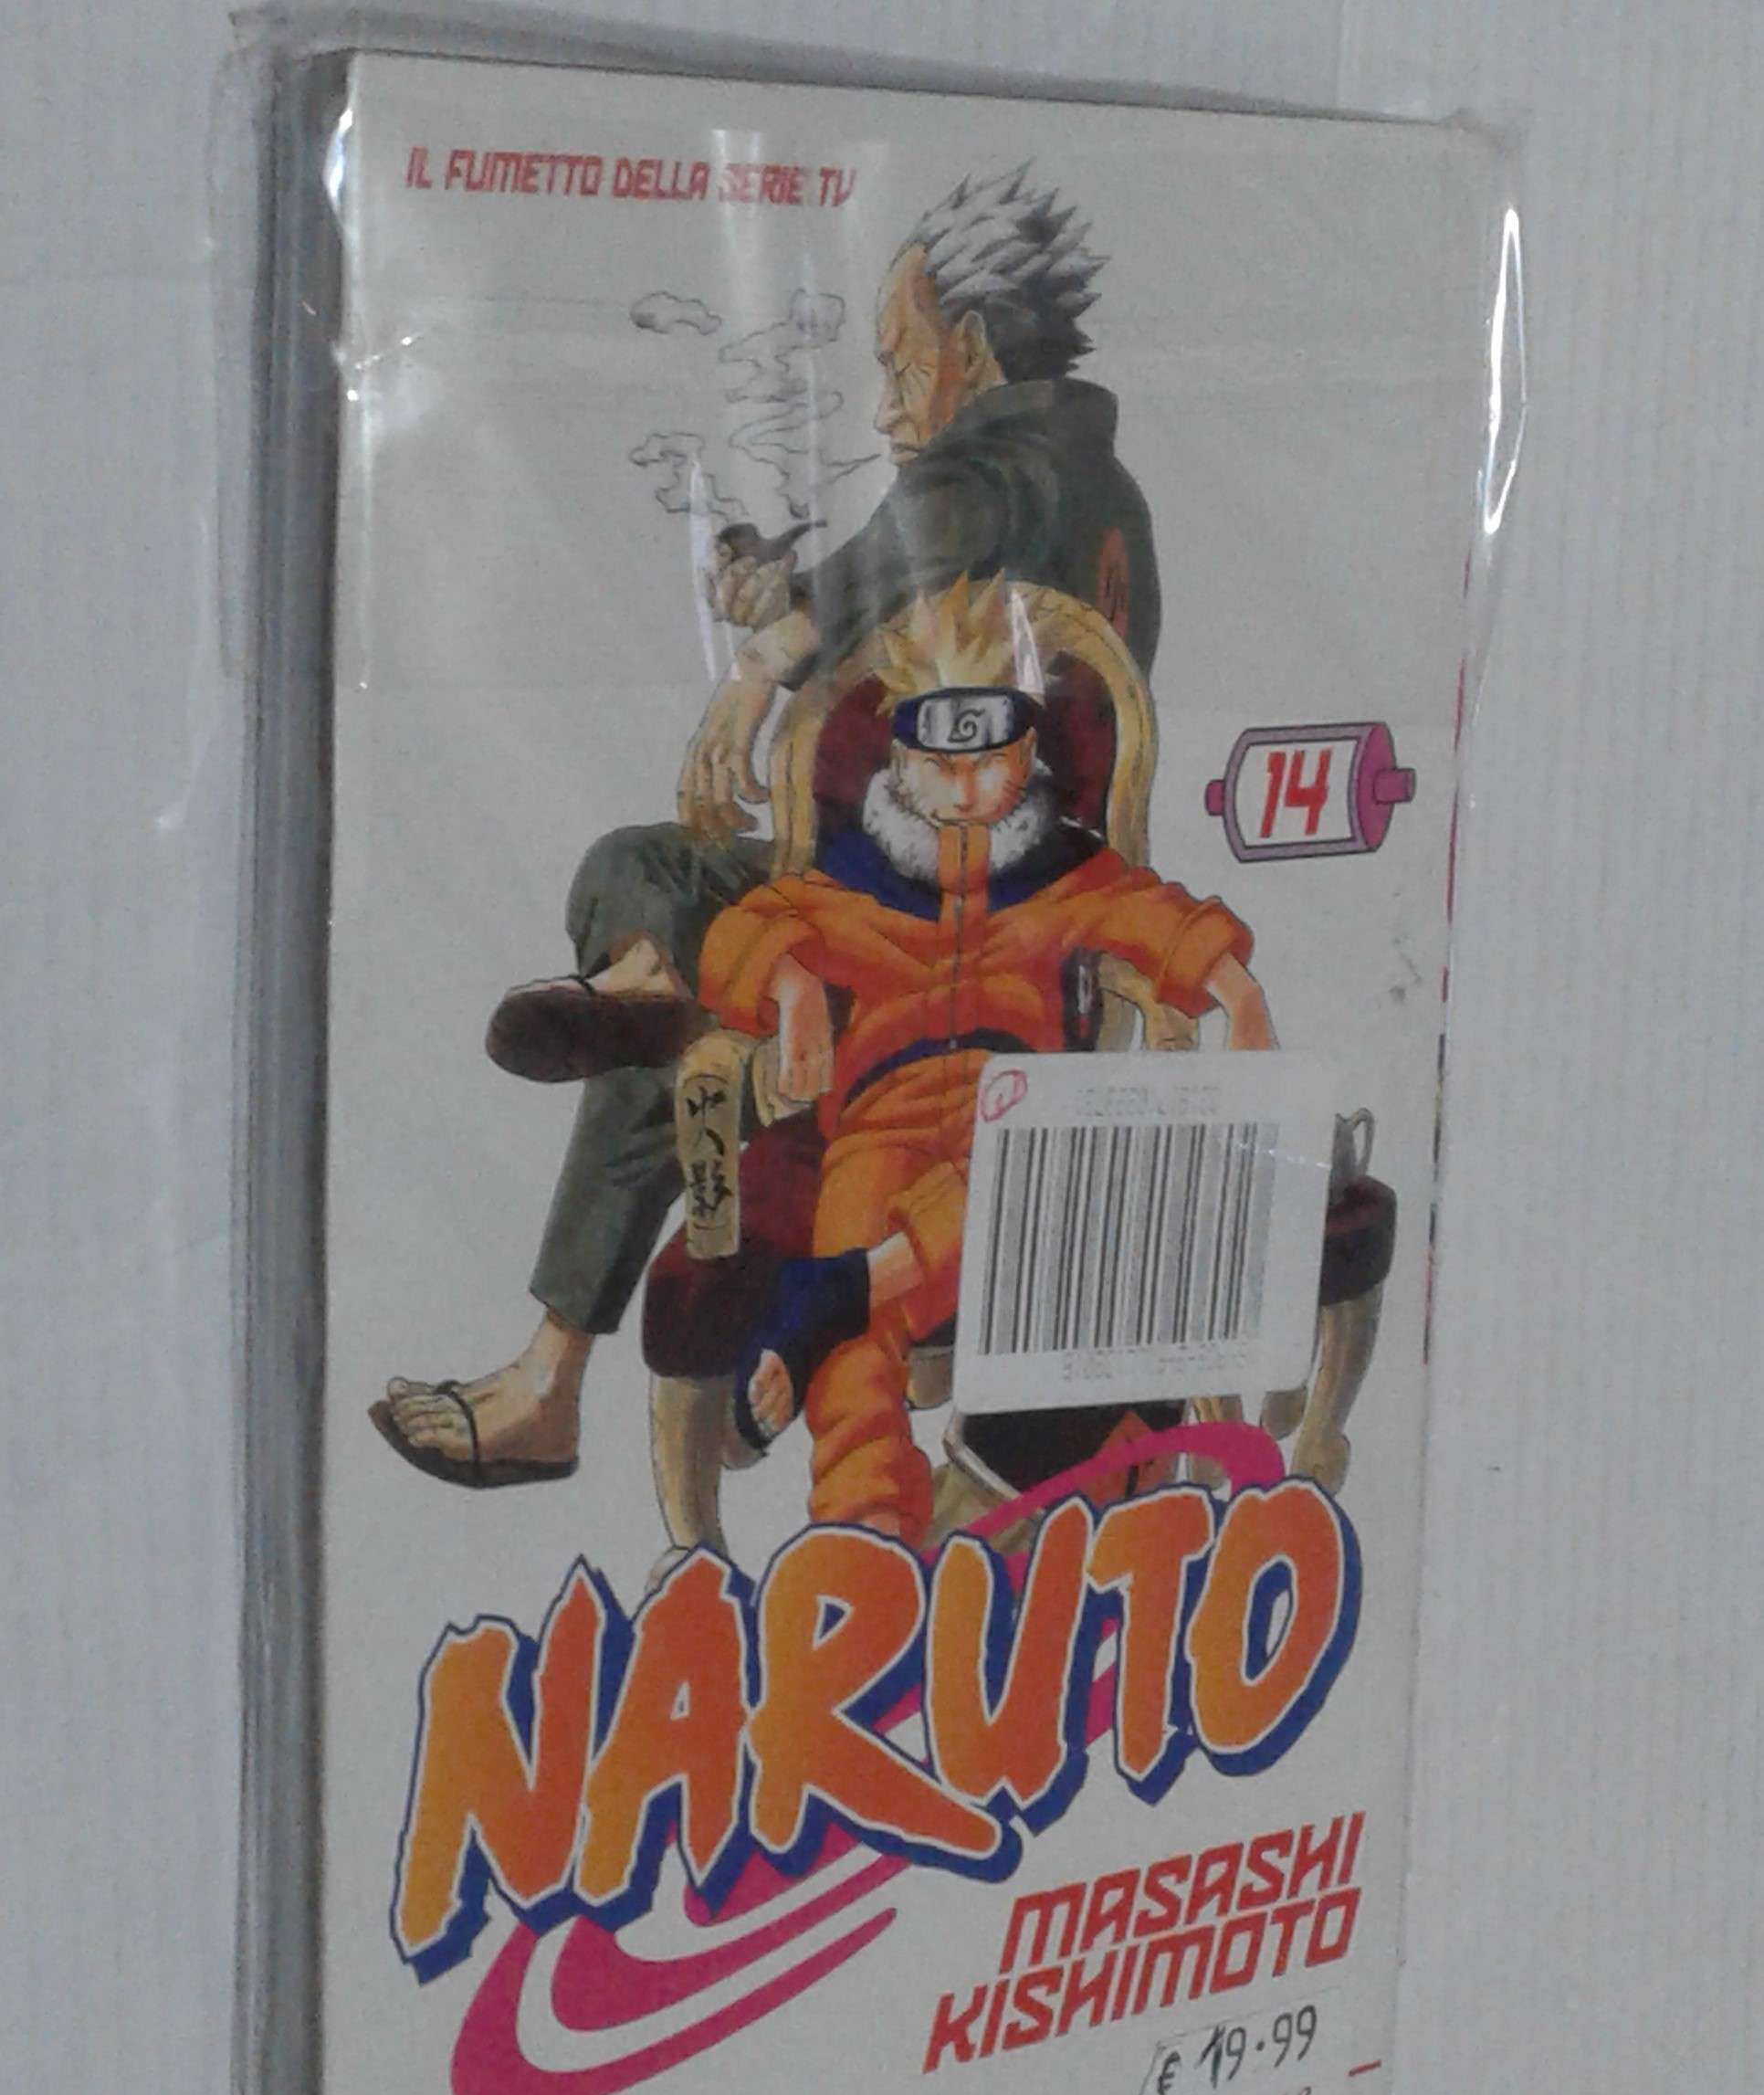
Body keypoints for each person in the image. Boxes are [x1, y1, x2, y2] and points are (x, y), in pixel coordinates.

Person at [373, 166, 1165, 1488]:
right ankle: (644, 1009)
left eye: (901, 363)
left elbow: (907, 549)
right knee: (661, 950)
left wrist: (755, 670)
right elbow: (896, 590)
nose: (889, 403)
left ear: (972, 348)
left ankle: (551, 1373)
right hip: (990, 925)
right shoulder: (1091, 487)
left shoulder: (994, 463)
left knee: (643, 888)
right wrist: (790, 590)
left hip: (917, 948)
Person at [696, 575, 1272, 1545]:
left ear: (1026, 756)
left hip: (1016, 1125)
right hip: (876, 1130)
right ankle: (865, 1543)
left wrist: (1238, 992)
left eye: (989, 763)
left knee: (1024, 1192)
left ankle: (836, 1291)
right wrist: (790, 987)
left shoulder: (1063, 873)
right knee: (854, 1350)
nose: (964, 790)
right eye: (940, 766)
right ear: (901, 760)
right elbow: (741, 933)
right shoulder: (848, 880)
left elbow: (1157, 916)